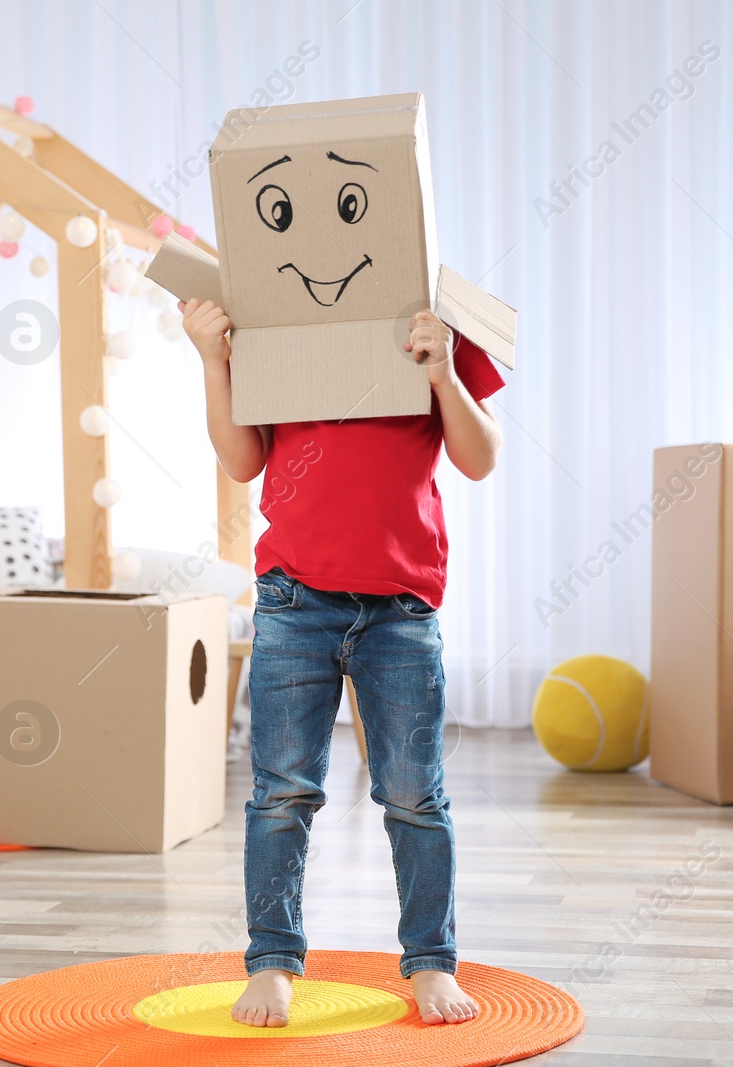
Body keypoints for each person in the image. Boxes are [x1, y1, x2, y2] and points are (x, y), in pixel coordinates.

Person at [179, 297, 505, 1027]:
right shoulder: (283, 321)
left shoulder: (437, 323)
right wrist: (212, 358)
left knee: (415, 793)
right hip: (297, 600)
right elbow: (242, 458)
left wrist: (445, 373)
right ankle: (272, 959)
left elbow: (480, 459)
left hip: (402, 607)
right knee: (282, 792)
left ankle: (430, 960)